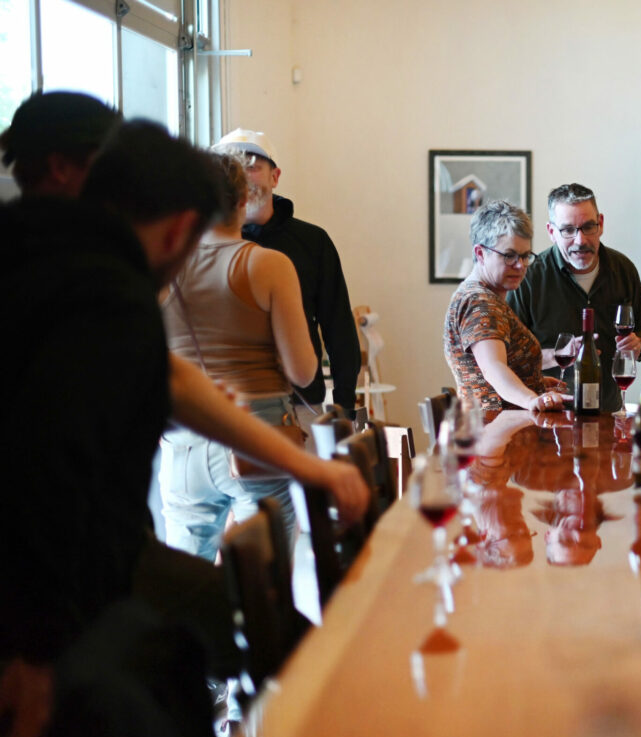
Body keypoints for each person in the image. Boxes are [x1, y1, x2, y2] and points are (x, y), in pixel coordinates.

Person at [0, 117, 367, 673]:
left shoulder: (93, 267)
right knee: (265, 624)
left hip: (136, 503)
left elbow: (173, 379)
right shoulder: (88, 275)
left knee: (234, 627)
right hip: (59, 559)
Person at [158, 152, 316, 561]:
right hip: (258, 436)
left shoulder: (163, 269)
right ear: (244, 198)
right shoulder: (268, 264)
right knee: (264, 583)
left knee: (185, 581)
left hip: (184, 440)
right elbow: (303, 372)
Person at [214, 129, 361, 418]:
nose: (242, 178)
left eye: (252, 167)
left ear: (275, 176)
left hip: (301, 405)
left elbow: (339, 329)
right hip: (223, 406)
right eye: (233, 170)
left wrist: (344, 410)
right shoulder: (205, 246)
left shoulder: (313, 242)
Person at [508, 183, 641, 413]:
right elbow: (508, 356)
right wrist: (557, 356)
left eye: (588, 227)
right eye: (568, 230)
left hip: (608, 413)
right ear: (551, 232)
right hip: (549, 416)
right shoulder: (529, 277)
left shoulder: (623, 269)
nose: (580, 240)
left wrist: (639, 346)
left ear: (601, 224)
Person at [445, 200, 569, 411]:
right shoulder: (479, 302)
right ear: (480, 253)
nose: (520, 265)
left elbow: (482, 372)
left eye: (525, 256)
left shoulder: (483, 296)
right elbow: (492, 368)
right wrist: (531, 400)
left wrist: (534, 382)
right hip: (494, 427)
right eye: (509, 256)